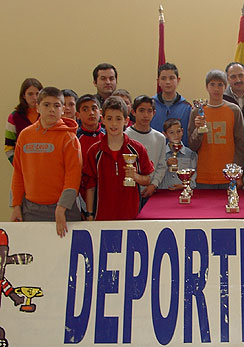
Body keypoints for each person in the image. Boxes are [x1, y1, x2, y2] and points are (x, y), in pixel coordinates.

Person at [10, 87, 82, 237]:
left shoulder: (69, 138)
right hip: (30, 210)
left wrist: (62, 208)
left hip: (63, 211)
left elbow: (73, 177)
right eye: (46, 105)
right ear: (37, 107)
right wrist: (16, 205)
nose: (51, 110)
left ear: (63, 109)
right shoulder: (25, 136)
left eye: (56, 105)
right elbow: (18, 172)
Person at [83, 96, 154, 221]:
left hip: (131, 215)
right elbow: (90, 186)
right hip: (102, 216)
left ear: (126, 121)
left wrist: (136, 177)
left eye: (118, 119)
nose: (114, 124)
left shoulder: (137, 149)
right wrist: (89, 214)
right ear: (103, 120)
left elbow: (148, 179)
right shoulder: (94, 151)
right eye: (109, 119)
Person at [187, 69, 244, 189]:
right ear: (206, 87)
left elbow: (240, 144)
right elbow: (192, 146)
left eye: (220, 85)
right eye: (212, 84)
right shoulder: (197, 112)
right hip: (204, 175)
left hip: (228, 174)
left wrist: (237, 172)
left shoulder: (234, 110)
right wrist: (198, 130)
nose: (216, 89)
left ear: (225, 87)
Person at [125, 95, 167, 203]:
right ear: (133, 112)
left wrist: (154, 185)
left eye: (149, 111)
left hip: (151, 191)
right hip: (129, 191)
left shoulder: (160, 138)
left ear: (154, 113)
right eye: (141, 110)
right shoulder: (125, 136)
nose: (145, 115)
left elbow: (162, 165)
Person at [150, 63, 192, 145]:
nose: (168, 82)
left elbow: (189, 136)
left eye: (171, 78)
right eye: (163, 78)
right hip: (155, 154)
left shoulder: (187, 107)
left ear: (178, 80)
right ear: (158, 81)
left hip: (180, 155)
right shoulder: (150, 106)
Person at [5, 78, 43, 164]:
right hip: (24, 167)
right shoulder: (14, 117)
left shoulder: (47, 115)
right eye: (30, 94)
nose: (34, 97)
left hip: (46, 166)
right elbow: (8, 147)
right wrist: (19, 165)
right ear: (23, 95)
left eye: (37, 94)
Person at [158, 118, 197, 190]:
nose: (176, 135)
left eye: (178, 131)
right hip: (163, 192)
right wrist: (166, 164)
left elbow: (194, 176)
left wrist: (185, 185)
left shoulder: (191, 154)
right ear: (165, 134)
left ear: (182, 131)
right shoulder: (160, 153)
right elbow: (155, 174)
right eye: (171, 132)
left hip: (183, 192)